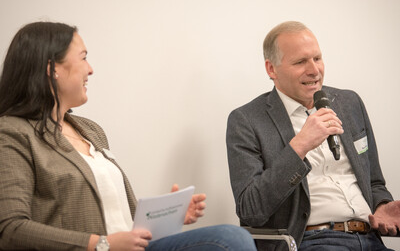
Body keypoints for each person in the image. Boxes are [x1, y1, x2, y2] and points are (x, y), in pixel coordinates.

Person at [0, 21, 257, 251]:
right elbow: (10, 229)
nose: (90, 69)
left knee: (230, 239)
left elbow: (117, 218)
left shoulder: (90, 130)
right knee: (229, 239)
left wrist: (169, 215)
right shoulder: (13, 133)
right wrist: (100, 244)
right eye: (83, 58)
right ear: (52, 69)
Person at [226, 21, 400, 251]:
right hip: (313, 241)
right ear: (271, 69)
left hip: (370, 237)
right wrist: (299, 146)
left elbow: (374, 182)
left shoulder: (350, 103)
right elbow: (251, 209)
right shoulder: (246, 120)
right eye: (300, 62)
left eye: (317, 58)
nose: (314, 70)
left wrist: (382, 205)